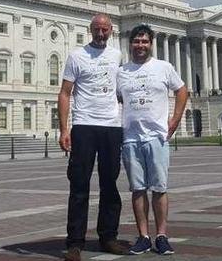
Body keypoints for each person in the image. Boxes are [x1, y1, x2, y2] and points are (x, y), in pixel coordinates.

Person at [117, 24, 189, 255]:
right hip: (130, 137)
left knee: (159, 188)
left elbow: (182, 90)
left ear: (151, 43)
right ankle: (143, 236)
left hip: (156, 136)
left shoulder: (164, 67)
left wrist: (175, 119)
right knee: (137, 189)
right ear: (130, 43)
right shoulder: (121, 72)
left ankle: (161, 235)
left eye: (144, 41)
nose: (140, 45)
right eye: (136, 41)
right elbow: (116, 100)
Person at [58, 14, 125, 261]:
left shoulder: (117, 55)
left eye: (105, 30)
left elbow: (122, 91)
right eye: (97, 29)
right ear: (90, 30)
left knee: (110, 184)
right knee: (79, 186)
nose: (100, 34)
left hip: (111, 126)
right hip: (84, 125)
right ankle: (75, 242)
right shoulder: (77, 56)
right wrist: (64, 129)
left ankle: (108, 237)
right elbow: (65, 93)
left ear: (111, 31)